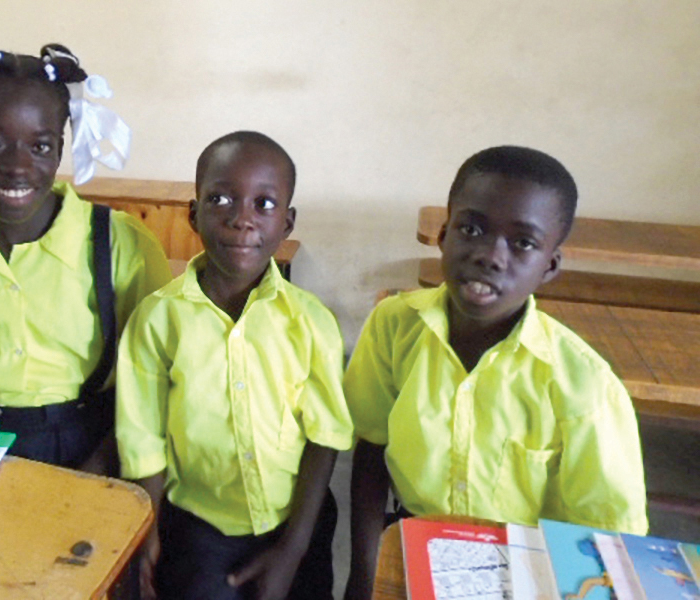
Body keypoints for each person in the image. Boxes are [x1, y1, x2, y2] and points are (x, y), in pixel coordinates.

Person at [343, 145, 649, 600]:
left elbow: (606, 541)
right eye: (471, 229)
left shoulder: (584, 383)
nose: (490, 255)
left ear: (550, 266)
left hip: (535, 566)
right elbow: (371, 446)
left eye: (523, 242)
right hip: (415, 543)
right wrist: (362, 575)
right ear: (444, 236)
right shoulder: (395, 325)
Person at [0, 44, 172, 473]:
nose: (17, 166)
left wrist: (96, 472)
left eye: (40, 146)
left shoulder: (121, 244)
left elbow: (152, 381)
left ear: (61, 147)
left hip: (102, 443)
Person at [116, 131, 354, 600]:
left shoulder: (310, 322)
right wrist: (147, 530)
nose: (241, 219)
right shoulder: (159, 318)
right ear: (193, 213)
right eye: (221, 199)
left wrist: (294, 548)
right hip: (199, 529)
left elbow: (326, 438)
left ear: (287, 223)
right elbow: (143, 436)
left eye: (263, 204)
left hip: (296, 522)